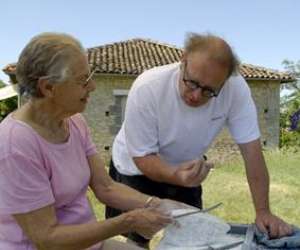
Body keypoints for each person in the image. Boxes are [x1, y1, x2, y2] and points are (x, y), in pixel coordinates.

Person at [0, 32, 187, 250]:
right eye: (83, 80)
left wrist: (158, 204)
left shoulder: (75, 122)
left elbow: (105, 187)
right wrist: (129, 221)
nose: (92, 87)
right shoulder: (14, 145)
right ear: (48, 87)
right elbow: (47, 238)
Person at [106, 32, 293, 247]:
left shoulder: (236, 90)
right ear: (183, 60)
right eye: (192, 83)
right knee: (136, 238)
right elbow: (143, 157)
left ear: (225, 81)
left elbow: (252, 153)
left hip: (186, 170)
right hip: (136, 168)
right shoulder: (148, 87)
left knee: (195, 237)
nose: (195, 96)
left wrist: (263, 211)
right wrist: (175, 174)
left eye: (208, 91)